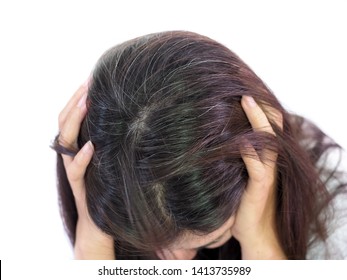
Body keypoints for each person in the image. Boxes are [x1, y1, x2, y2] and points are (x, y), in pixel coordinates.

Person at [52, 31, 347, 260]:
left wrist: (260, 240)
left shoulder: (334, 213)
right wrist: (94, 234)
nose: (179, 263)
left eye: (209, 240)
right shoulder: (109, 215)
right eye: (153, 244)